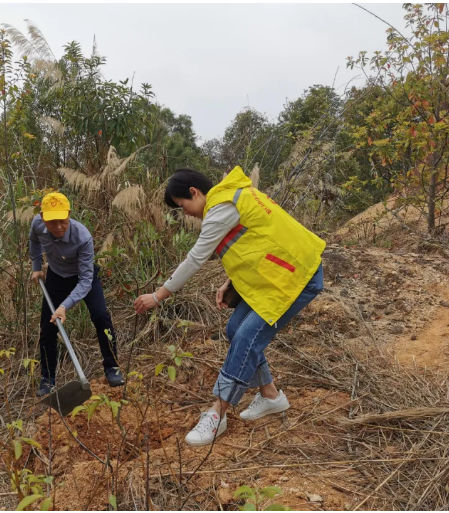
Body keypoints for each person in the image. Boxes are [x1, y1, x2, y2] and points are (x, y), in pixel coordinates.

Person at [134, 166, 325, 446]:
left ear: (193, 192)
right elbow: (258, 242)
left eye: (182, 205)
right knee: (235, 328)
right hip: (280, 275)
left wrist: (158, 295)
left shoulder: (221, 207)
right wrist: (231, 282)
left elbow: (195, 259)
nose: (185, 213)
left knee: (247, 337)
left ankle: (218, 412)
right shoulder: (235, 196)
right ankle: (271, 396)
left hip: (297, 277)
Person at [30, 192, 123, 396]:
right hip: (55, 276)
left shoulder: (83, 237)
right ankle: (47, 378)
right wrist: (37, 266)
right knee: (47, 326)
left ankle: (112, 367)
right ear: (43, 217)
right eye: (51, 222)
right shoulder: (37, 224)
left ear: (69, 215)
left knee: (101, 317)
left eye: (62, 221)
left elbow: (85, 280)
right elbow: (34, 241)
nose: (57, 227)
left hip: (83, 277)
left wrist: (65, 306)